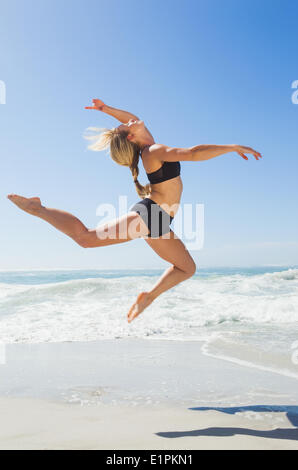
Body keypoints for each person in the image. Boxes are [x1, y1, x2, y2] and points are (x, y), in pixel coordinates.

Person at [7, 99, 262, 322]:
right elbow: (194, 154)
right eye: (127, 124)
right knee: (85, 238)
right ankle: (37, 208)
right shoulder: (153, 151)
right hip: (152, 216)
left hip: (160, 221)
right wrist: (231, 147)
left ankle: (149, 296)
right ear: (131, 136)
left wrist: (106, 109)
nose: (130, 120)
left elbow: (127, 119)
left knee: (187, 268)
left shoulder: (147, 144)